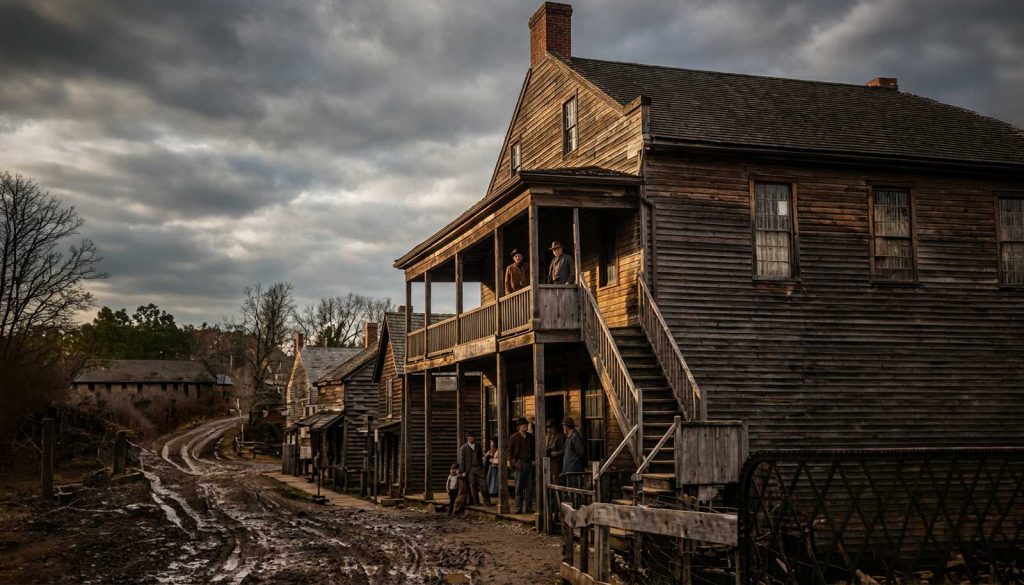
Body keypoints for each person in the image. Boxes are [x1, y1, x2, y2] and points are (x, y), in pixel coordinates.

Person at [507, 417, 535, 514]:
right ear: (519, 426)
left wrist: (533, 461)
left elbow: (534, 450)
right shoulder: (513, 437)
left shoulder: (531, 437)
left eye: (526, 424)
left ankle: (528, 507)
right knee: (518, 487)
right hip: (519, 464)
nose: (525, 426)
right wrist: (514, 463)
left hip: (528, 464)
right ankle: (518, 508)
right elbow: (509, 453)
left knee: (529, 487)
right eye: (523, 425)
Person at [458, 430, 491, 506]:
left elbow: (480, 457)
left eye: (472, 437)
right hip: (470, 469)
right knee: (473, 486)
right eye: (469, 437)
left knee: (483, 484)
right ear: (467, 438)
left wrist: (482, 467)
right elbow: (462, 461)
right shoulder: (463, 448)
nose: (471, 438)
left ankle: (487, 501)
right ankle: (476, 502)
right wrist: (462, 471)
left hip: (478, 468)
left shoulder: (478, 445)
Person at [544, 418, 566, 483]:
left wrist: (556, 453)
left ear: (554, 427)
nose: (549, 430)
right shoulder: (548, 436)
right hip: (548, 461)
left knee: (555, 480)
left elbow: (563, 450)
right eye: (548, 428)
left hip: (557, 461)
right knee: (548, 479)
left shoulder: (560, 436)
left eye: (550, 428)